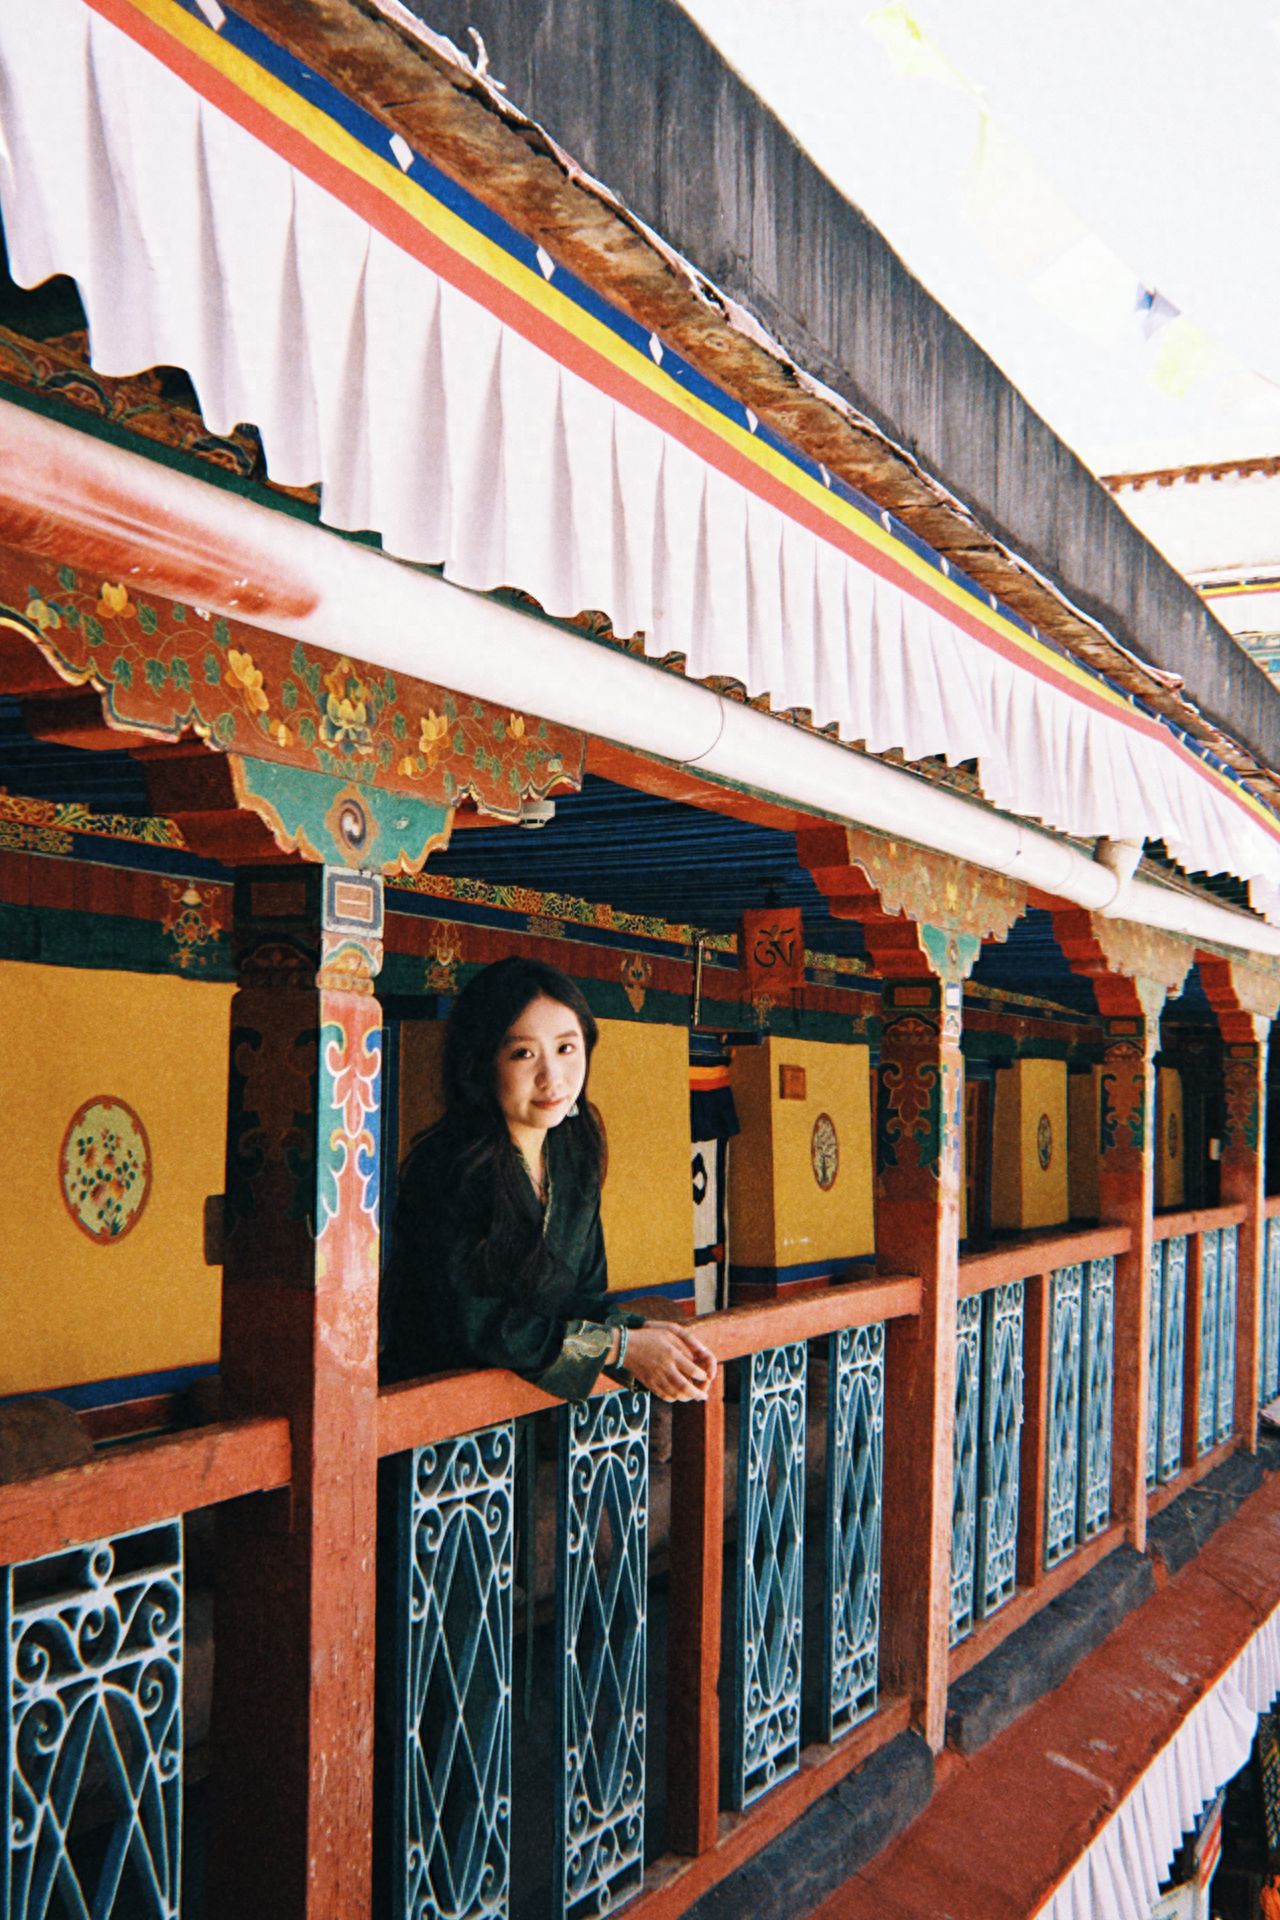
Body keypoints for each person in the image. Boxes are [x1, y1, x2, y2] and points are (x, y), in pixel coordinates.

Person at [380, 954, 717, 1402]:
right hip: (429, 1415)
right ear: (480, 1064)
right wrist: (619, 1348)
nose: (551, 1077)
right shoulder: (445, 1169)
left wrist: (645, 1334)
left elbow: (578, 1296)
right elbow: (478, 1326)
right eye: (523, 1053)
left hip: (516, 1417)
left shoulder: (573, 1155)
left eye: (566, 1048)